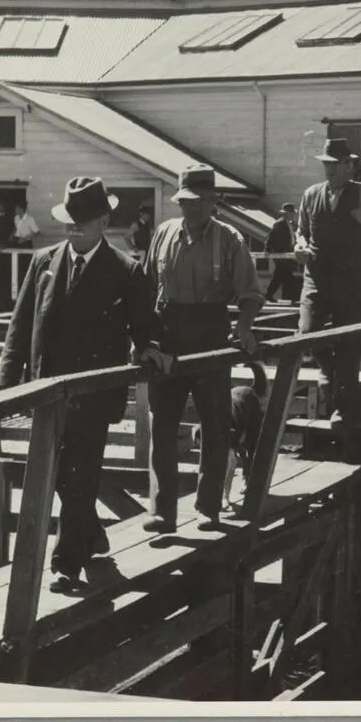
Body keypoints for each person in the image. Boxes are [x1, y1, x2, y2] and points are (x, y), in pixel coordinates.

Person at [0, 177, 165, 591]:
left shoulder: (126, 270)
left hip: (94, 395)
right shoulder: (43, 262)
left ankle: (65, 563)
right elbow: (19, 330)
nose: (73, 229)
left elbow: (146, 326)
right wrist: (5, 385)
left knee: (83, 474)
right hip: (47, 394)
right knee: (53, 475)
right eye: (69, 221)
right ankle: (91, 534)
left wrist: (150, 349)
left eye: (82, 222)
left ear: (103, 221)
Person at [143, 164, 264, 531]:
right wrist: (144, 339)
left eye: (197, 202)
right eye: (184, 202)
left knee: (215, 425)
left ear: (213, 202)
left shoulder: (230, 239)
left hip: (211, 331)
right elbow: (146, 288)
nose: (190, 209)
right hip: (167, 335)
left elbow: (249, 292)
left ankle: (208, 506)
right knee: (162, 426)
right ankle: (163, 511)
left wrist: (243, 327)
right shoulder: (163, 234)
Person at [294, 138, 361, 429]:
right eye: (325, 164)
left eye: (334, 164)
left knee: (349, 345)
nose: (328, 170)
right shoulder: (311, 194)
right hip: (316, 277)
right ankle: (332, 377)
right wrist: (301, 246)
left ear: (348, 165)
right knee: (307, 333)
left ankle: (343, 411)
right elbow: (301, 231)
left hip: (350, 281)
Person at [264, 203, 299, 302]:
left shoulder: (289, 224)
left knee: (280, 276)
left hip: (286, 254)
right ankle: (295, 297)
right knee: (287, 276)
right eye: (291, 213)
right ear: (286, 214)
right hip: (280, 254)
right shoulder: (279, 223)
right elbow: (271, 237)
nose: (292, 215)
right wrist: (267, 249)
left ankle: (268, 294)